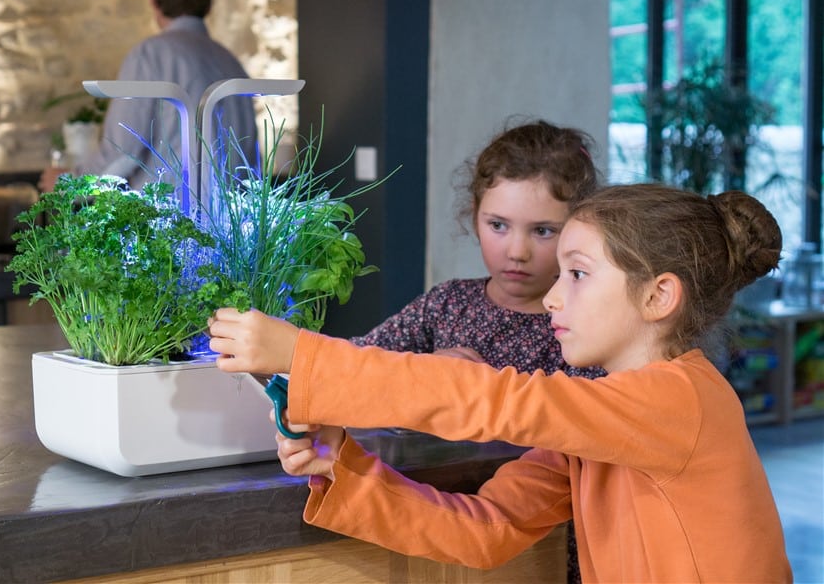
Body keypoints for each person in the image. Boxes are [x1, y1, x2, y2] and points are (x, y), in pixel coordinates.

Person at [207, 183, 792, 582]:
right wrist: (343, 465)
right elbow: (485, 530)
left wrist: (308, 357)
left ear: (658, 295)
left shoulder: (679, 400)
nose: (554, 295)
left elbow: (495, 399)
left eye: (579, 274)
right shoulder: (600, 423)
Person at [348, 119, 605, 584]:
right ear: (474, 215)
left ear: (581, 230)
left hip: (544, 538)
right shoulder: (447, 302)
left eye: (544, 230)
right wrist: (426, 371)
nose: (518, 251)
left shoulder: (588, 331)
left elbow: (581, 432)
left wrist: (475, 390)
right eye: (499, 225)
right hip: (439, 520)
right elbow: (359, 364)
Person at [39, 0, 257, 193]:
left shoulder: (150, 55)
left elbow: (122, 153)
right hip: (232, 226)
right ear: (209, 4)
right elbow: (251, 161)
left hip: (166, 224)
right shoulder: (233, 64)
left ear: (153, 0)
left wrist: (71, 184)